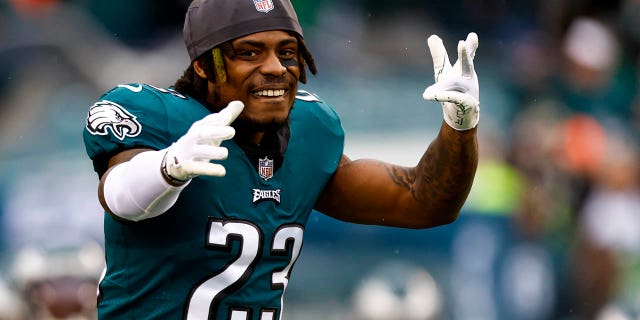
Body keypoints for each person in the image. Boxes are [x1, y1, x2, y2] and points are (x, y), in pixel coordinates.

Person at [82, 0, 480, 318]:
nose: (275, 68)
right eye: (250, 52)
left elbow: (422, 202)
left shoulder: (310, 131)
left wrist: (459, 127)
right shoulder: (162, 121)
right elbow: (118, 197)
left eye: (287, 52)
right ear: (203, 64)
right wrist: (167, 168)